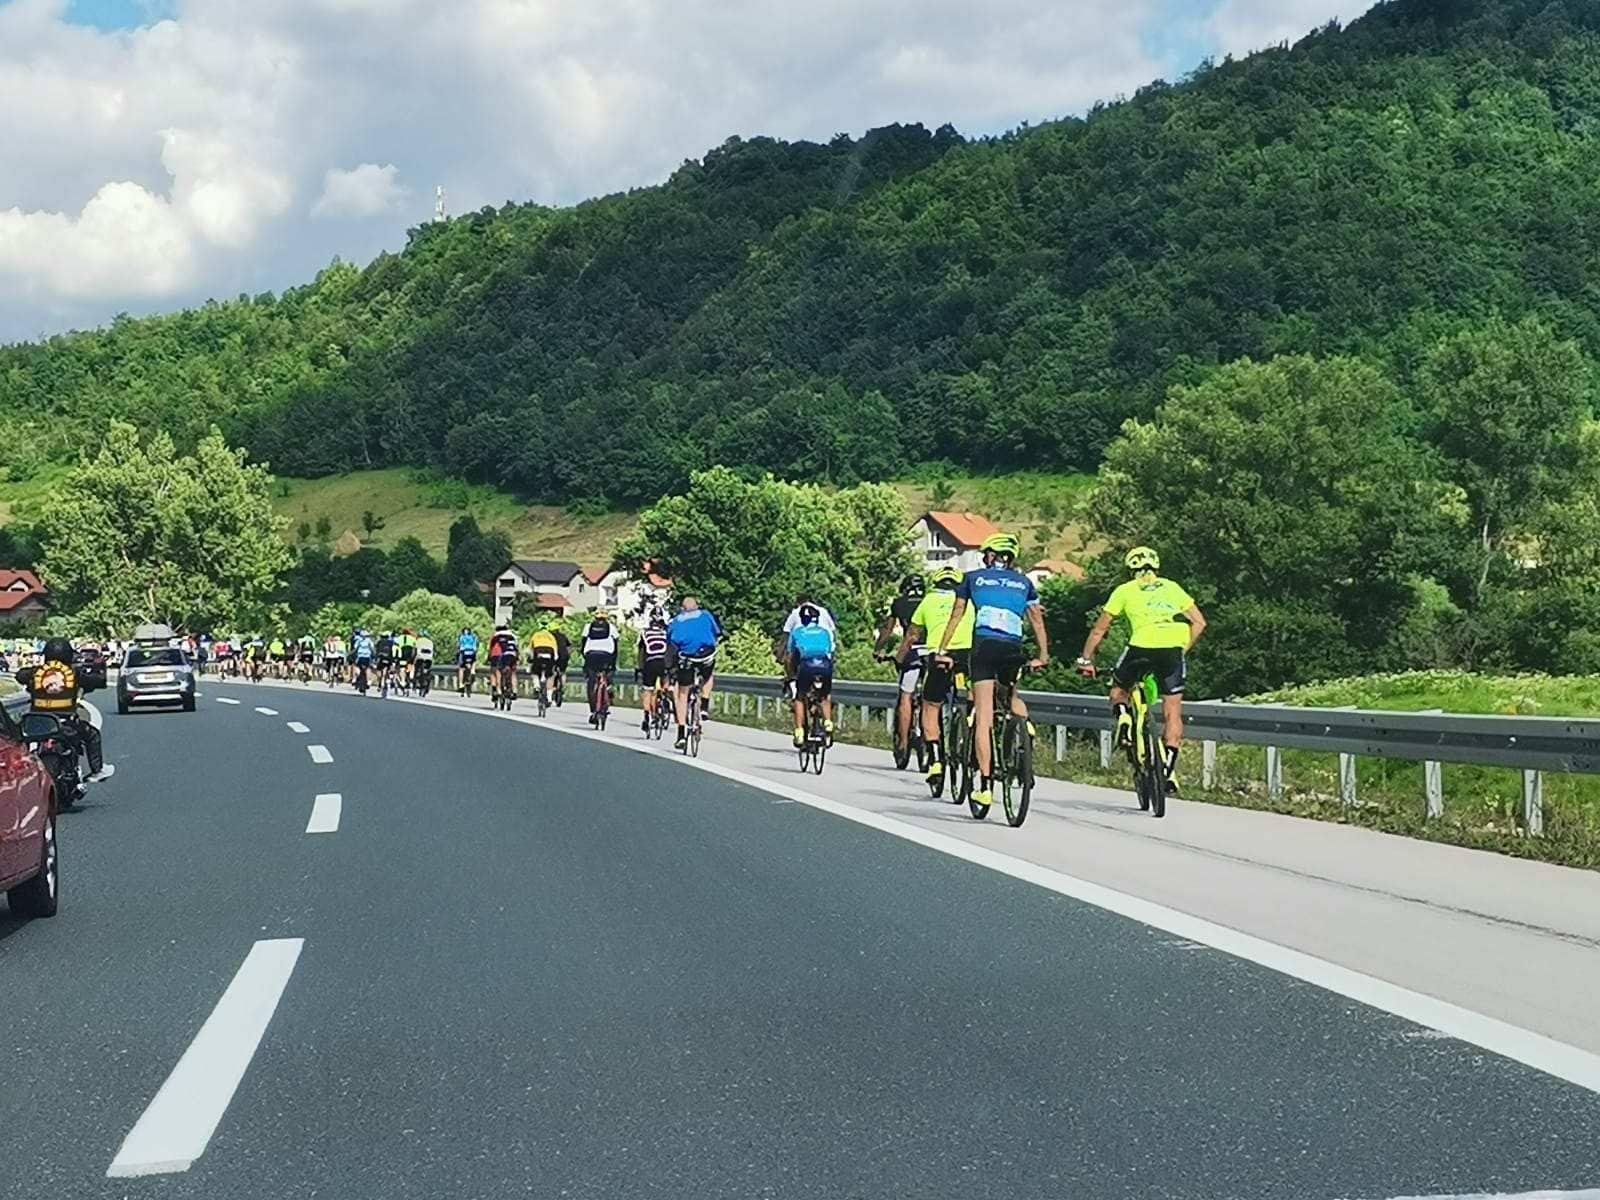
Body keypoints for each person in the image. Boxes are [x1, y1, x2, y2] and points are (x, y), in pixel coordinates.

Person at [1077, 546, 1207, 793]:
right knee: (1172, 711)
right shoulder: (1171, 587)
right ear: (1156, 567)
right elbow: (1199, 622)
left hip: (1141, 646)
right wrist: (1182, 649)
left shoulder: (1124, 590)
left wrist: (1086, 659)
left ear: (1130, 569)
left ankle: (1124, 716)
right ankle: (1168, 769)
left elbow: (1099, 629)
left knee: (1118, 690)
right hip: (1172, 649)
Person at [934, 533, 1048, 810]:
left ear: (989, 556)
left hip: (984, 646)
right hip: (1013, 648)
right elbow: (1036, 619)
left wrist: (942, 649)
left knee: (984, 714)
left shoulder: (972, 578)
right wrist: (1043, 655)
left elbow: (957, 614)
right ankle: (1024, 731)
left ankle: (985, 785)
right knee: (1011, 696)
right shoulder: (1024, 583)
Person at [895, 567, 974, 786]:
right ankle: (972, 723)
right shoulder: (969, 600)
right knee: (976, 692)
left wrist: (900, 658)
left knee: (930, 706)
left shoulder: (928, 600)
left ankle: (936, 760)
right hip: (967, 654)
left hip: (940, 655)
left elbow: (912, 635)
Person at [19, 637, 104, 778]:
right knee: (93, 735)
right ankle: (97, 770)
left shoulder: (36, 673)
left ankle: (20, 772)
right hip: (67, 723)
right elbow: (94, 681)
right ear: (68, 655)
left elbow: (19, 675)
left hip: (37, 723)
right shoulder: (74, 673)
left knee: (16, 738)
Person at [875, 575, 927, 758]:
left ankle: (904, 742)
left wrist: (878, 649)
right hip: (934, 654)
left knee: (906, 696)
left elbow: (887, 630)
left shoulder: (899, 604)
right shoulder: (930, 601)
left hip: (912, 653)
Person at [668, 597, 724, 750]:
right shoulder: (706, 615)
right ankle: (704, 706)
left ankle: (681, 733)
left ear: (682, 608)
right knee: (708, 676)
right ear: (697, 606)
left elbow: (671, 642)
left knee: (682, 693)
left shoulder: (676, 621)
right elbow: (717, 633)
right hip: (706, 655)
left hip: (686, 657)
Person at [787, 603, 836, 748]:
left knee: (800, 697)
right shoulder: (825, 632)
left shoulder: (797, 632)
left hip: (807, 666)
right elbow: (831, 652)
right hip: (825, 666)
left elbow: (791, 657)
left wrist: (790, 675)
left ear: (802, 619)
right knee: (825, 696)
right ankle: (828, 722)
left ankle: (799, 732)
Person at [774, 594, 837, 698]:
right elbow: (833, 632)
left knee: (790, 662)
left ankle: (794, 686)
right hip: (825, 653)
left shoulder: (796, 613)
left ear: (798, 603)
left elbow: (786, 634)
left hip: (805, 655)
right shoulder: (823, 611)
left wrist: (780, 655)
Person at [581, 610, 620, 726]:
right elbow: (616, 643)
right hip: (607, 655)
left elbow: (583, 642)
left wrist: (585, 657)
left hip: (591, 654)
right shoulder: (611, 627)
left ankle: (593, 711)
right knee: (608, 673)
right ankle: (609, 686)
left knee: (591, 682)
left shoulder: (588, 627)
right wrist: (613, 661)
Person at [636, 612, 670, 732]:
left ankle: (646, 717)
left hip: (650, 663)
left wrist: (640, 668)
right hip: (663, 662)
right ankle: (665, 695)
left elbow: (641, 653)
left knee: (648, 690)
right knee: (666, 679)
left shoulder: (644, 633)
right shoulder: (666, 633)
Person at [528, 622, 560, 707]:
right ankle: (549, 697)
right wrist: (555, 661)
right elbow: (555, 650)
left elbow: (531, 650)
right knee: (550, 675)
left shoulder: (535, 635)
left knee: (534, 672)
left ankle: (536, 685)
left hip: (538, 652)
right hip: (549, 653)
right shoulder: (551, 636)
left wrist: (530, 660)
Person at [487, 623, 519, 701]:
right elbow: (516, 647)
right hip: (512, 655)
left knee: (495, 671)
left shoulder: (495, 635)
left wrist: (488, 657)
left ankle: (497, 690)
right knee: (513, 672)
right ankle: (514, 691)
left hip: (497, 655)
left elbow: (491, 648)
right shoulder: (512, 635)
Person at [551, 622, 572, 707]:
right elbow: (569, 647)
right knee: (563, 672)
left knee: (551, 673)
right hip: (564, 656)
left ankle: (552, 689)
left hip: (554, 656)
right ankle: (562, 687)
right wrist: (568, 656)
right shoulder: (563, 636)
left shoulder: (550, 637)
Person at [456, 626, 480, 694]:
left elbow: (459, 645)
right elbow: (476, 645)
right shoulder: (473, 637)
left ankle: (461, 684)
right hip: (472, 652)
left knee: (461, 668)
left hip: (464, 653)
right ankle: (472, 671)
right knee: (474, 661)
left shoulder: (462, 637)